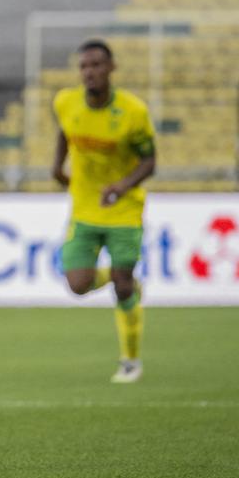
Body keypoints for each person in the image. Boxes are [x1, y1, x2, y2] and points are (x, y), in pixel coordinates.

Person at [52, 39, 156, 383]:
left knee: (123, 289)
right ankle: (122, 277)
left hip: (124, 210)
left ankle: (130, 361)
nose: (90, 72)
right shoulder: (66, 102)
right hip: (84, 207)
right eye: (84, 66)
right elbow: (65, 132)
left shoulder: (133, 111)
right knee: (77, 284)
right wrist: (57, 167)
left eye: (97, 65)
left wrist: (121, 186)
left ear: (111, 68)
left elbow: (149, 160)